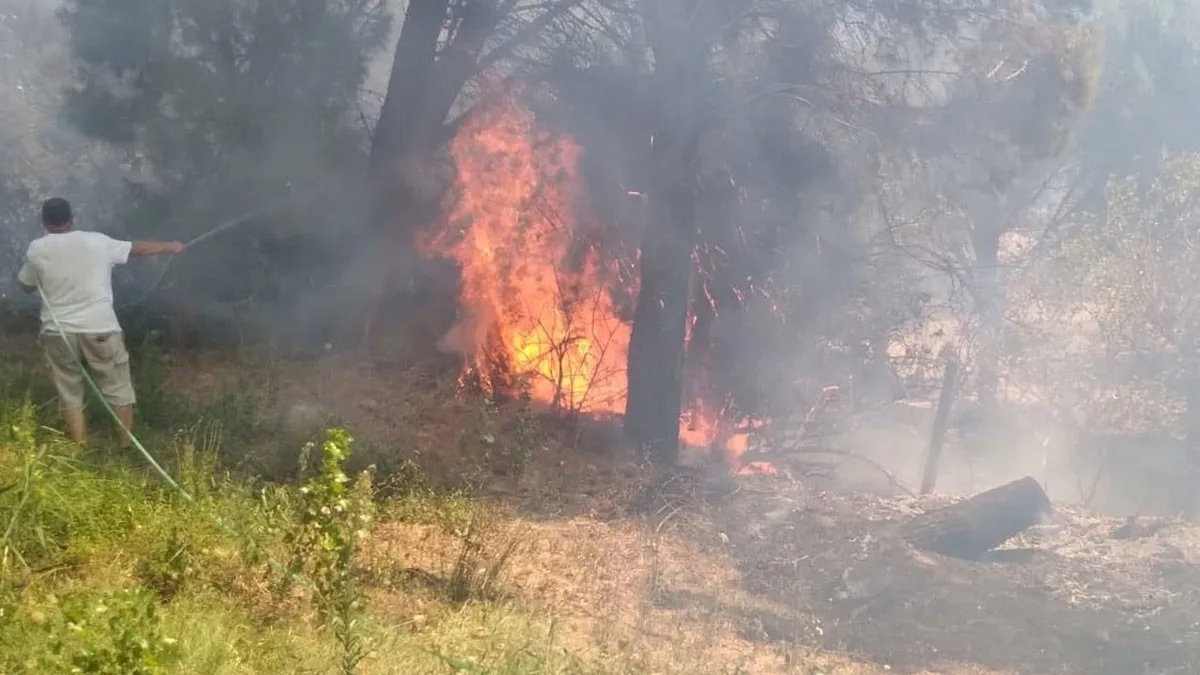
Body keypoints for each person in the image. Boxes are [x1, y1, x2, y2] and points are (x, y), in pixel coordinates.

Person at [16, 197, 186, 447]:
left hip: (58, 332)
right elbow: (137, 249)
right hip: (100, 328)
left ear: (45, 222)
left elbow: (25, 284)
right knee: (117, 387)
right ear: (72, 219)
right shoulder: (97, 241)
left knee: (69, 391)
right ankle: (125, 446)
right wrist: (170, 246)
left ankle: (77, 447)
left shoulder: (37, 249)